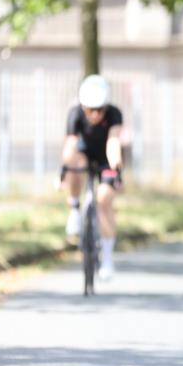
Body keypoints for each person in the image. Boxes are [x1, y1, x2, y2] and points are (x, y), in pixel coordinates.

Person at [62, 75, 124, 280]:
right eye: (90, 110)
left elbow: (113, 141)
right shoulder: (75, 114)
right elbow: (70, 144)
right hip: (84, 155)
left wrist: (116, 167)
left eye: (99, 110)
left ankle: (107, 257)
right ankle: (74, 208)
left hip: (106, 158)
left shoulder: (114, 114)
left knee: (104, 200)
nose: (95, 115)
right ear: (83, 106)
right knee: (73, 163)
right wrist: (65, 169)